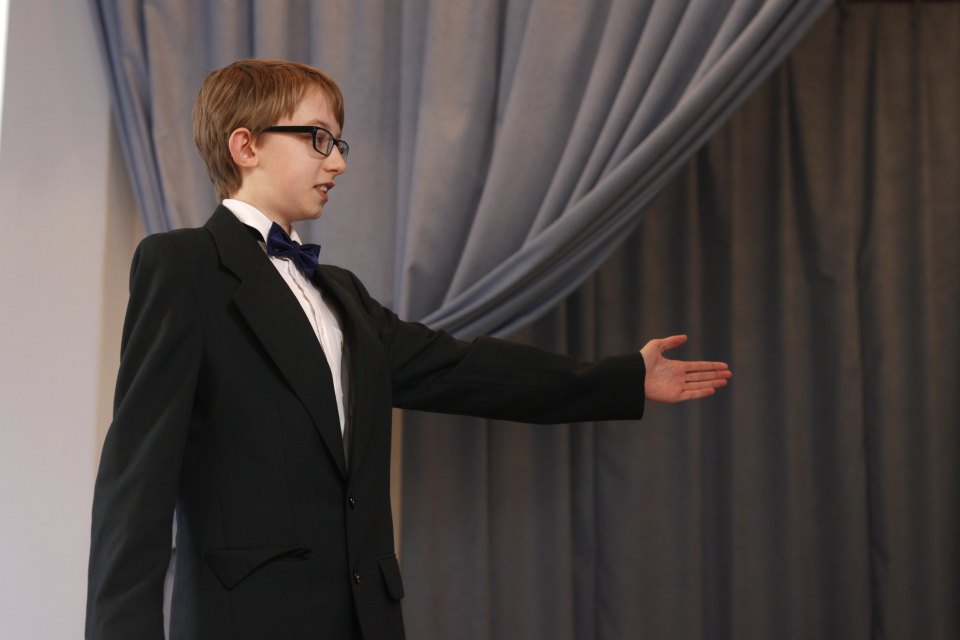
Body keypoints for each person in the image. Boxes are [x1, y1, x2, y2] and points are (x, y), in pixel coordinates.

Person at [85, 59, 731, 640]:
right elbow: (135, 482)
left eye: (338, 143)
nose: (337, 163)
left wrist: (622, 379)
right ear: (245, 145)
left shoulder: (341, 293)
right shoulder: (183, 266)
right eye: (317, 139)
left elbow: (465, 369)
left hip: (367, 619)